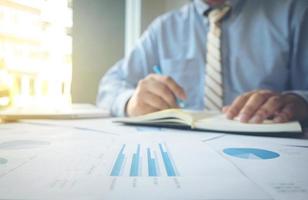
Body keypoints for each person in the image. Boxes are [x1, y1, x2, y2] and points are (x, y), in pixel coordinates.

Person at [97, 0, 308, 124]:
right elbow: (109, 86)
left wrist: (298, 102)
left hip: (270, 152)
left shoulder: (295, 14)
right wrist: (131, 101)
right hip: (179, 151)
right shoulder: (163, 29)